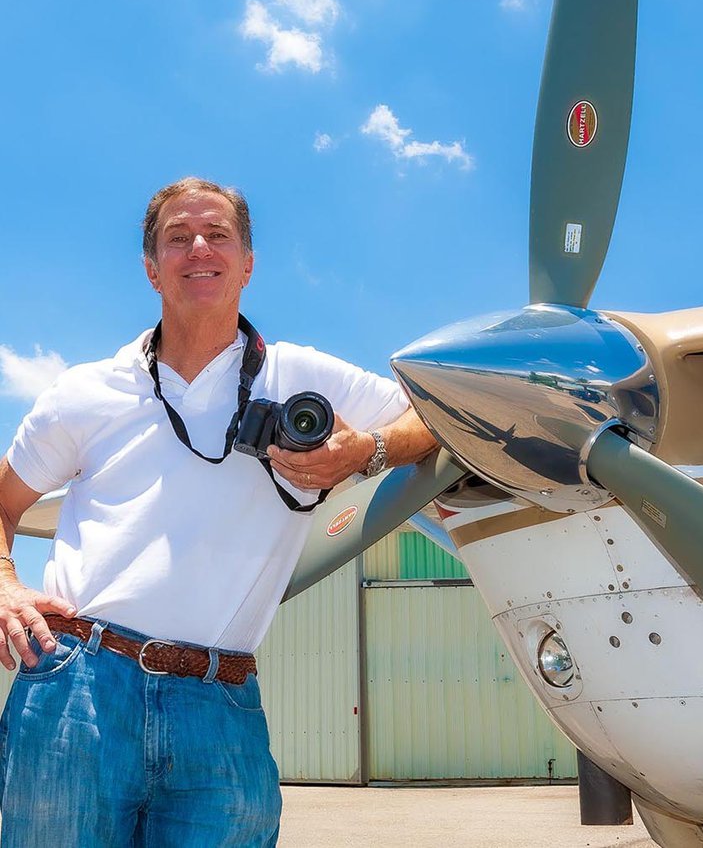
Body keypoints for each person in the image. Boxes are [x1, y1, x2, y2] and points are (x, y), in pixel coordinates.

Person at [0, 177, 437, 846]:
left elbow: (437, 419)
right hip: (79, 686)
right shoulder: (85, 391)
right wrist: (5, 584)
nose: (198, 247)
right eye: (177, 238)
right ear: (152, 269)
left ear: (248, 263)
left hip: (221, 700)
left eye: (217, 235)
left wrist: (367, 450)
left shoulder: (300, 374)